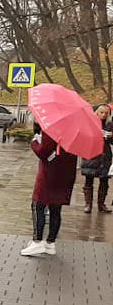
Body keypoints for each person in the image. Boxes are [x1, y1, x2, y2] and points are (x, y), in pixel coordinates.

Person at [21, 125, 78, 256]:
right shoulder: (75, 130)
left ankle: (37, 241)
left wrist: (34, 142)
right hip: (66, 173)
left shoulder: (52, 128)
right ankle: (50, 243)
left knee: (38, 204)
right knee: (56, 208)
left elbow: (43, 151)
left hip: (50, 173)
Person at [81, 104, 113, 214]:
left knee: (104, 180)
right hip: (91, 153)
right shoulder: (90, 123)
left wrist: (110, 136)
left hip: (105, 155)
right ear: (97, 113)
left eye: (106, 113)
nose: (104, 115)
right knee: (89, 179)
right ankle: (88, 204)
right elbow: (83, 136)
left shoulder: (110, 124)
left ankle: (101, 204)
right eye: (102, 112)